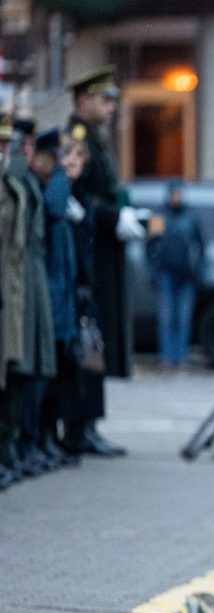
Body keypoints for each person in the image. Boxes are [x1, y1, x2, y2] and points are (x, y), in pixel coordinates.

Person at [64, 66, 138, 456]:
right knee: (87, 337)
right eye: (103, 99)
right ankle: (79, 427)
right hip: (86, 252)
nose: (111, 107)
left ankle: (88, 424)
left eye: (112, 100)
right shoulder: (77, 139)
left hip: (100, 251)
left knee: (96, 339)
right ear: (82, 101)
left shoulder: (96, 139)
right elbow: (75, 194)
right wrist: (114, 218)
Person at [8, 125, 58, 475]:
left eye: (29, 145)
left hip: (29, 277)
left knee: (32, 366)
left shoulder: (23, 182)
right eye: (20, 145)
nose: (27, 152)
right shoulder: (16, 179)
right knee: (17, 367)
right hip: (17, 278)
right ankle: (14, 446)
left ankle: (22, 445)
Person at [35, 128, 82, 468]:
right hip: (49, 294)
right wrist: (62, 174)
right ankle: (36, 439)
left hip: (61, 293)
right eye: (59, 158)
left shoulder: (59, 186)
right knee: (42, 373)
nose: (63, 164)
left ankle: (47, 438)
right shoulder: (50, 187)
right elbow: (53, 209)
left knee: (55, 373)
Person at [146, 179, 204, 368]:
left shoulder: (192, 217)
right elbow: (150, 246)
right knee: (166, 318)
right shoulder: (158, 217)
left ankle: (181, 357)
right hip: (165, 274)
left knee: (183, 318)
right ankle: (166, 356)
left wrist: (199, 271)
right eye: (174, 194)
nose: (176, 197)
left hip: (187, 275)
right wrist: (153, 272)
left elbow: (202, 247)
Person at [0, 113, 29, 488]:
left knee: (10, 375)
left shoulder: (10, 182)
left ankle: (8, 451)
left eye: (8, 144)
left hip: (11, 290)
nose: (5, 151)